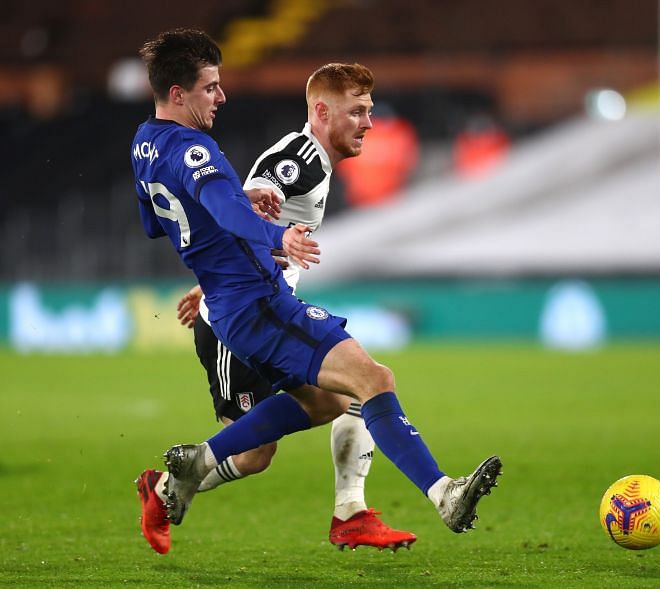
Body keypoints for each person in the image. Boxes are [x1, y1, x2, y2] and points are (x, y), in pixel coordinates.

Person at [131, 28, 501, 550]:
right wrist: (267, 234)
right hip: (254, 307)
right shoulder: (290, 159)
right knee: (369, 382)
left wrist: (210, 271)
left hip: (247, 300)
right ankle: (439, 493)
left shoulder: (144, 142)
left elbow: (160, 223)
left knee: (331, 404)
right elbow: (252, 193)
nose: (368, 124)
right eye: (358, 112)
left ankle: (335, 506)